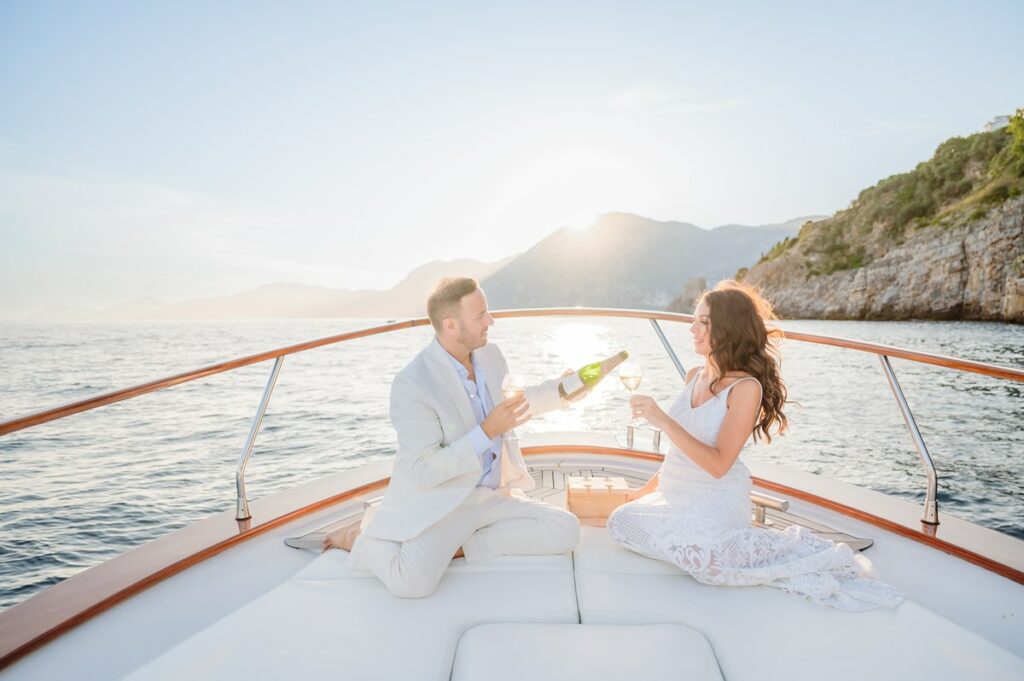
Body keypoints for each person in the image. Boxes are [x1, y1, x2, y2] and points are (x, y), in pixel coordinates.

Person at [607, 280, 903, 611]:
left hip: (715, 499)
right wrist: (642, 491)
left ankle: (770, 548)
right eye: (694, 319)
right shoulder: (693, 375)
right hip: (676, 494)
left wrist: (663, 421)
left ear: (727, 328)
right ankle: (687, 534)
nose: (692, 328)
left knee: (705, 564)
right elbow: (678, 454)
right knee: (621, 521)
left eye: (703, 321)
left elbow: (719, 464)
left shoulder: (746, 388)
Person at [322, 277, 580, 598]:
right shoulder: (413, 383)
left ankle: (462, 547)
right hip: (447, 502)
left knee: (565, 529)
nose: (491, 321)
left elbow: (516, 404)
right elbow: (424, 470)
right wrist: (487, 432)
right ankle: (360, 536)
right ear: (451, 325)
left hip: (493, 495)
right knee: (411, 584)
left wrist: (564, 390)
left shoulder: (491, 356)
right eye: (481, 316)